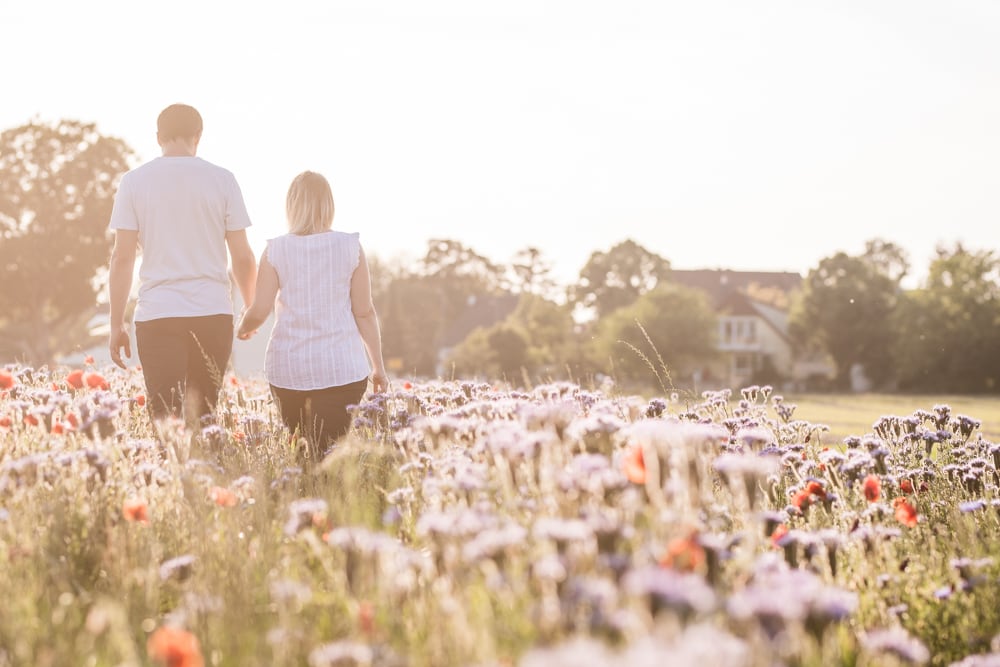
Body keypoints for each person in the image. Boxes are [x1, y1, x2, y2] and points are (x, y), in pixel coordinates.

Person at [107, 103, 257, 424]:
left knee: (166, 420)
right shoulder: (223, 180)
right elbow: (242, 256)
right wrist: (251, 308)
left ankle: (169, 473)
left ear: (158, 137)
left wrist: (116, 323)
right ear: (198, 136)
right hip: (213, 312)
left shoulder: (134, 182)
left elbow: (122, 258)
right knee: (204, 420)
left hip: (158, 314)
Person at [237, 171, 388, 463]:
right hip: (341, 370)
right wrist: (378, 366)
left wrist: (242, 327)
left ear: (291, 206)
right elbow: (364, 311)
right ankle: (331, 504)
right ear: (328, 205)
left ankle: (299, 503)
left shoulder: (275, 250)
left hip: (289, 371)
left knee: (303, 453)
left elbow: (259, 310)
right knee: (329, 456)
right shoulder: (350, 247)